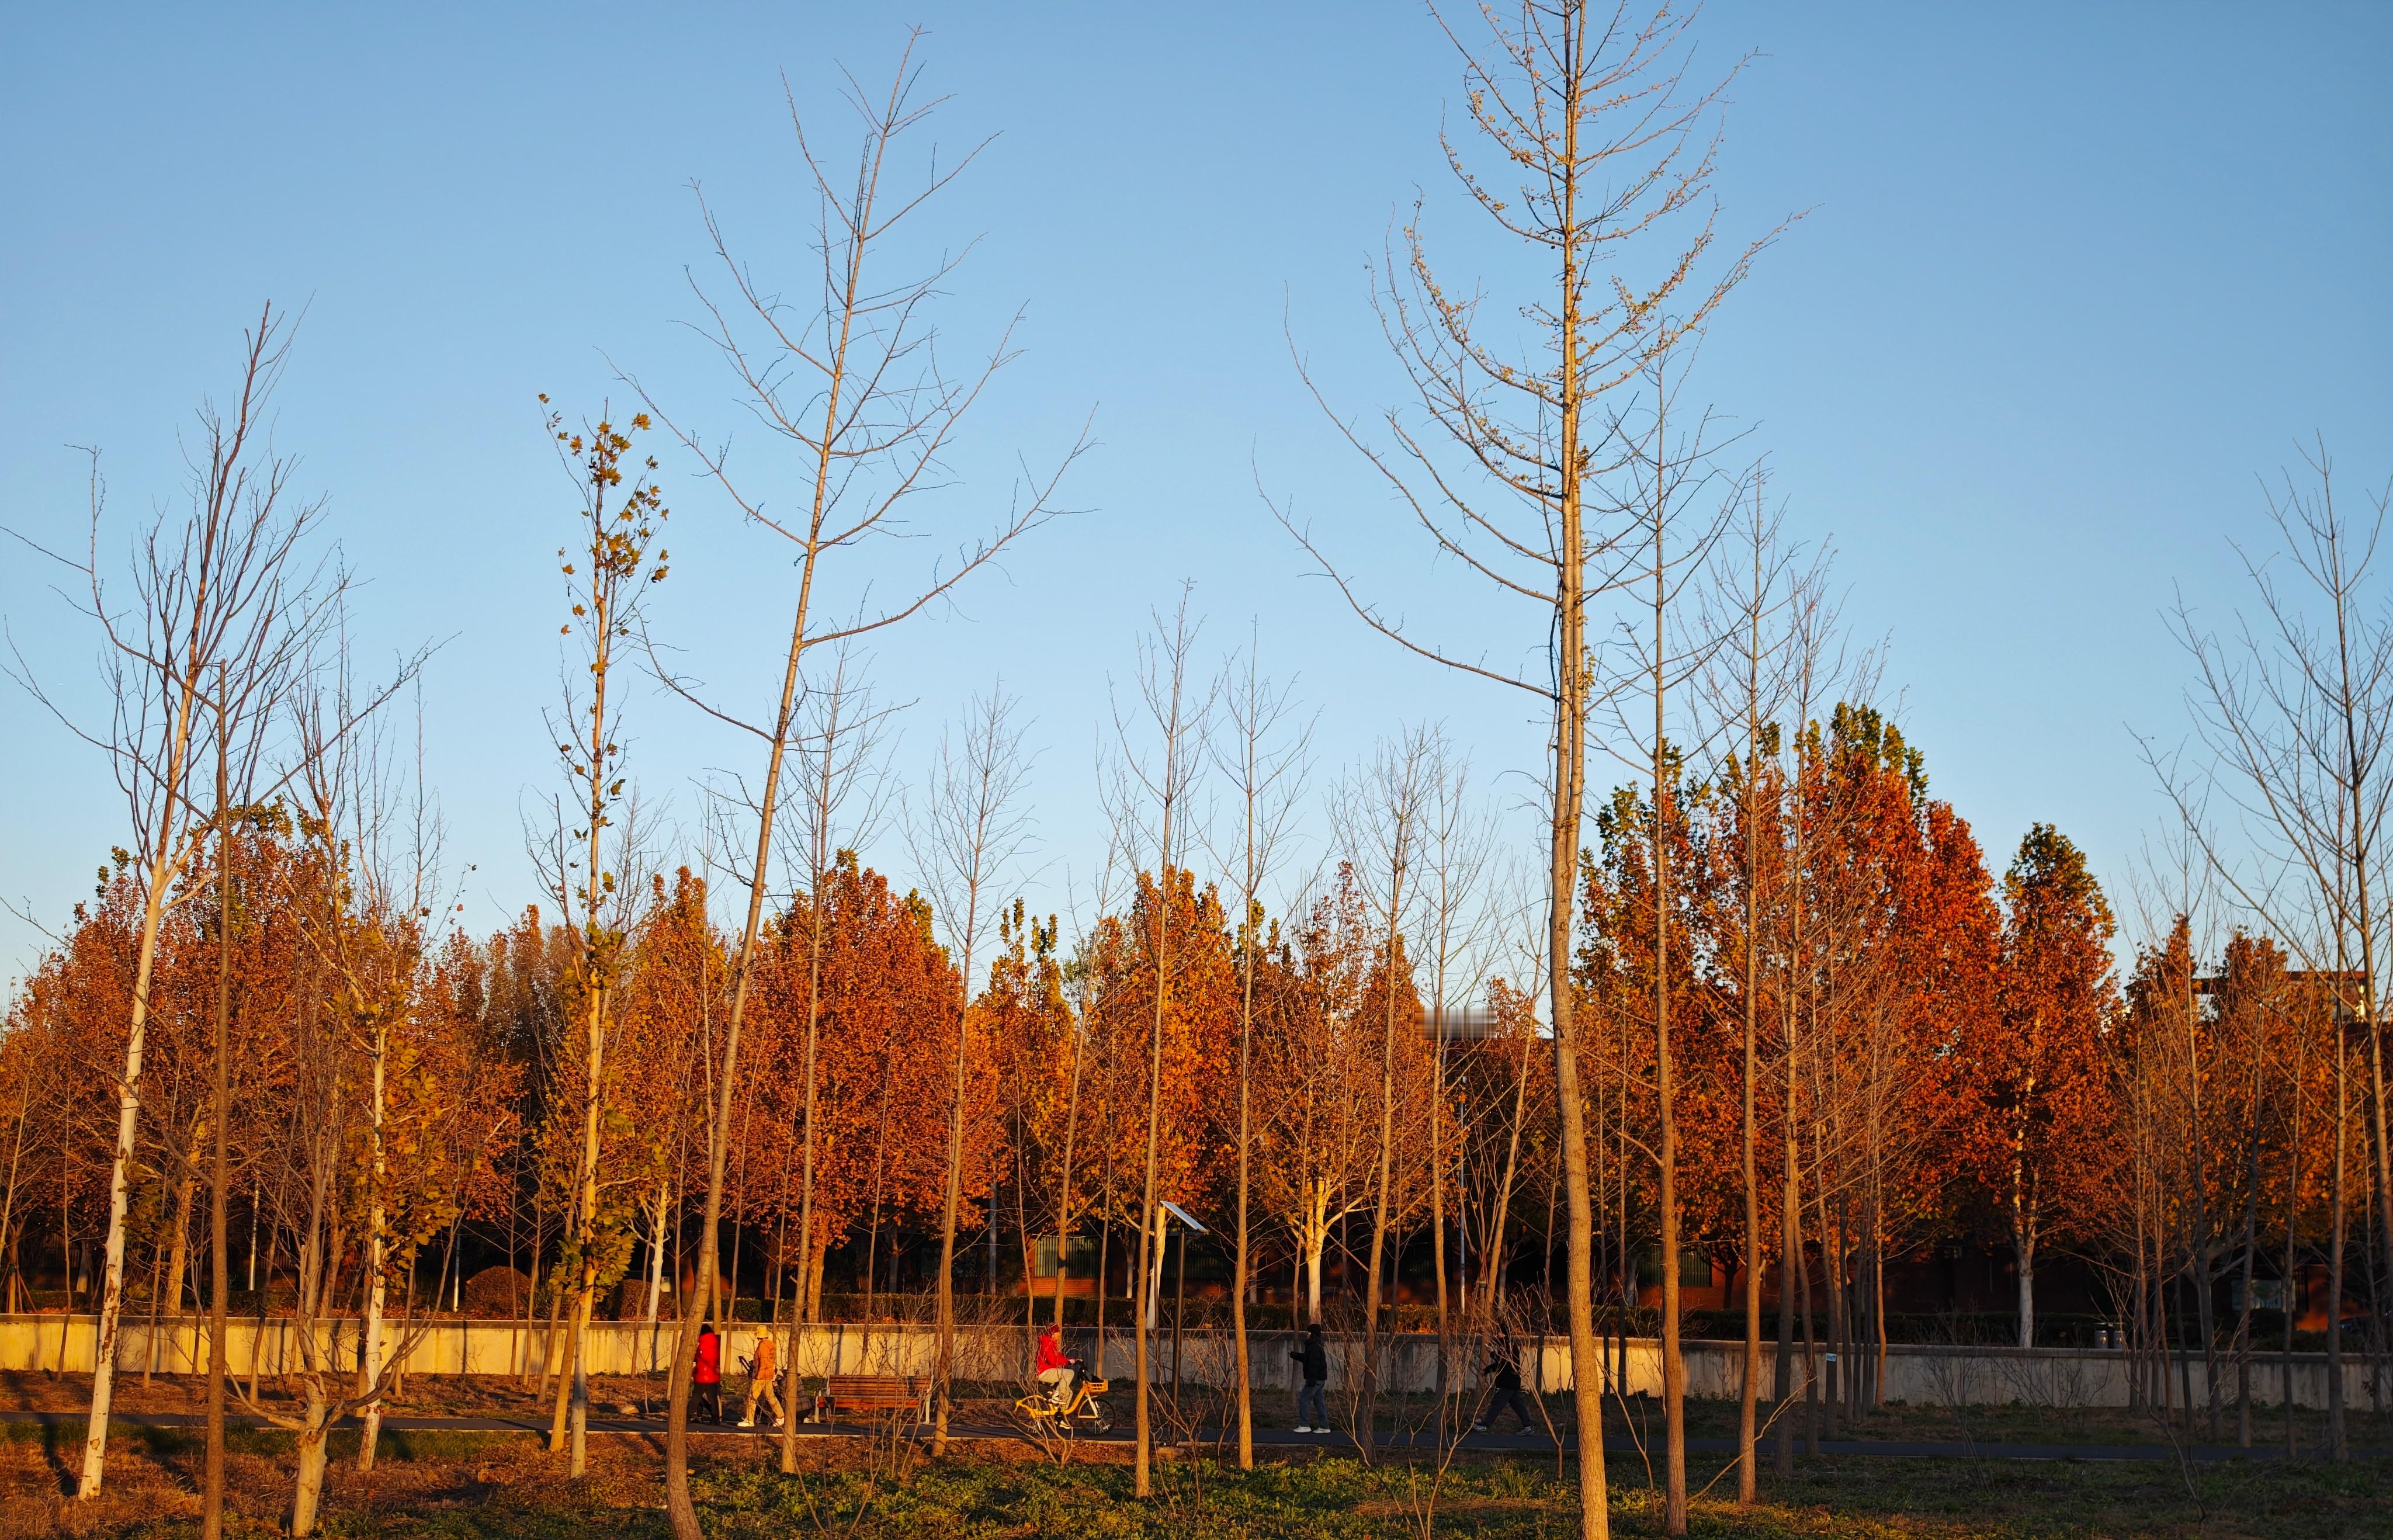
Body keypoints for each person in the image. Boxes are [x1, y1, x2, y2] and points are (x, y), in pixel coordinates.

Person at [1473, 1334, 1537, 1434]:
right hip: (1512, 1382)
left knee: (1497, 1404)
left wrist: (1493, 1353)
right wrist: (1488, 1370)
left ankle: (1485, 1425)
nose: (1497, 1334)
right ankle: (1528, 1426)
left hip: (1508, 1382)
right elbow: (1500, 1364)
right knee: (1518, 1405)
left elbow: (1505, 1362)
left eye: (1500, 1332)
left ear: (1505, 1333)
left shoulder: (1509, 1346)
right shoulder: (1506, 1346)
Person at [738, 1327, 784, 1429]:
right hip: (768, 1375)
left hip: (761, 1376)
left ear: (758, 1336)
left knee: (752, 1397)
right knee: (771, 1397)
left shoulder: (762, 1347)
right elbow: (769, 1362)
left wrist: (758, 1376)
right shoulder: (771, 1345)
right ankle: (781, 1416)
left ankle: (750, 1420)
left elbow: (763, 1362)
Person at [1290, 1322, 1329, 1434]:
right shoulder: (1316, 1346)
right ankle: (1324, 1426)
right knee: (1319, 1401)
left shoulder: (1314, 1347)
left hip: (1315, 1379)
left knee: (1303, 1399)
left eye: (1309, 1332)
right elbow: (1308, 1359)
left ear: (1312, 1334)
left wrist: (1311, 1381)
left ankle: (1305, 1424)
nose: (1307, 1334)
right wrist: (1294, 1355)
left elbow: (1313, 1365)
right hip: (1320, 1379)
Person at [1034, 1323, 1077, 1409]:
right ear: (1052, 1333)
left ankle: (1060, 1417)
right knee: (1070, 1373)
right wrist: (1067, 1362)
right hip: (1045, 1373)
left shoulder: (1051, 1344)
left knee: (1069, 1393)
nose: (1059, 1335)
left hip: (1050, 1371)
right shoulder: (1046, 1343)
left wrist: (1073, 1360)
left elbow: (1059, 1357)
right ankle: (1059, 1396)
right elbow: (1053, 1360)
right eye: (1057, 1332)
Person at [692, 1322, 723, 1425]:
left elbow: (699, 1357)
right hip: (712, 1375)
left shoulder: (703, 1343)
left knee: (696, 1397)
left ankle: (688, 1416)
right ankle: (715, 1418)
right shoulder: (714, 1343)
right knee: (713, 1398)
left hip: (703, 1375)